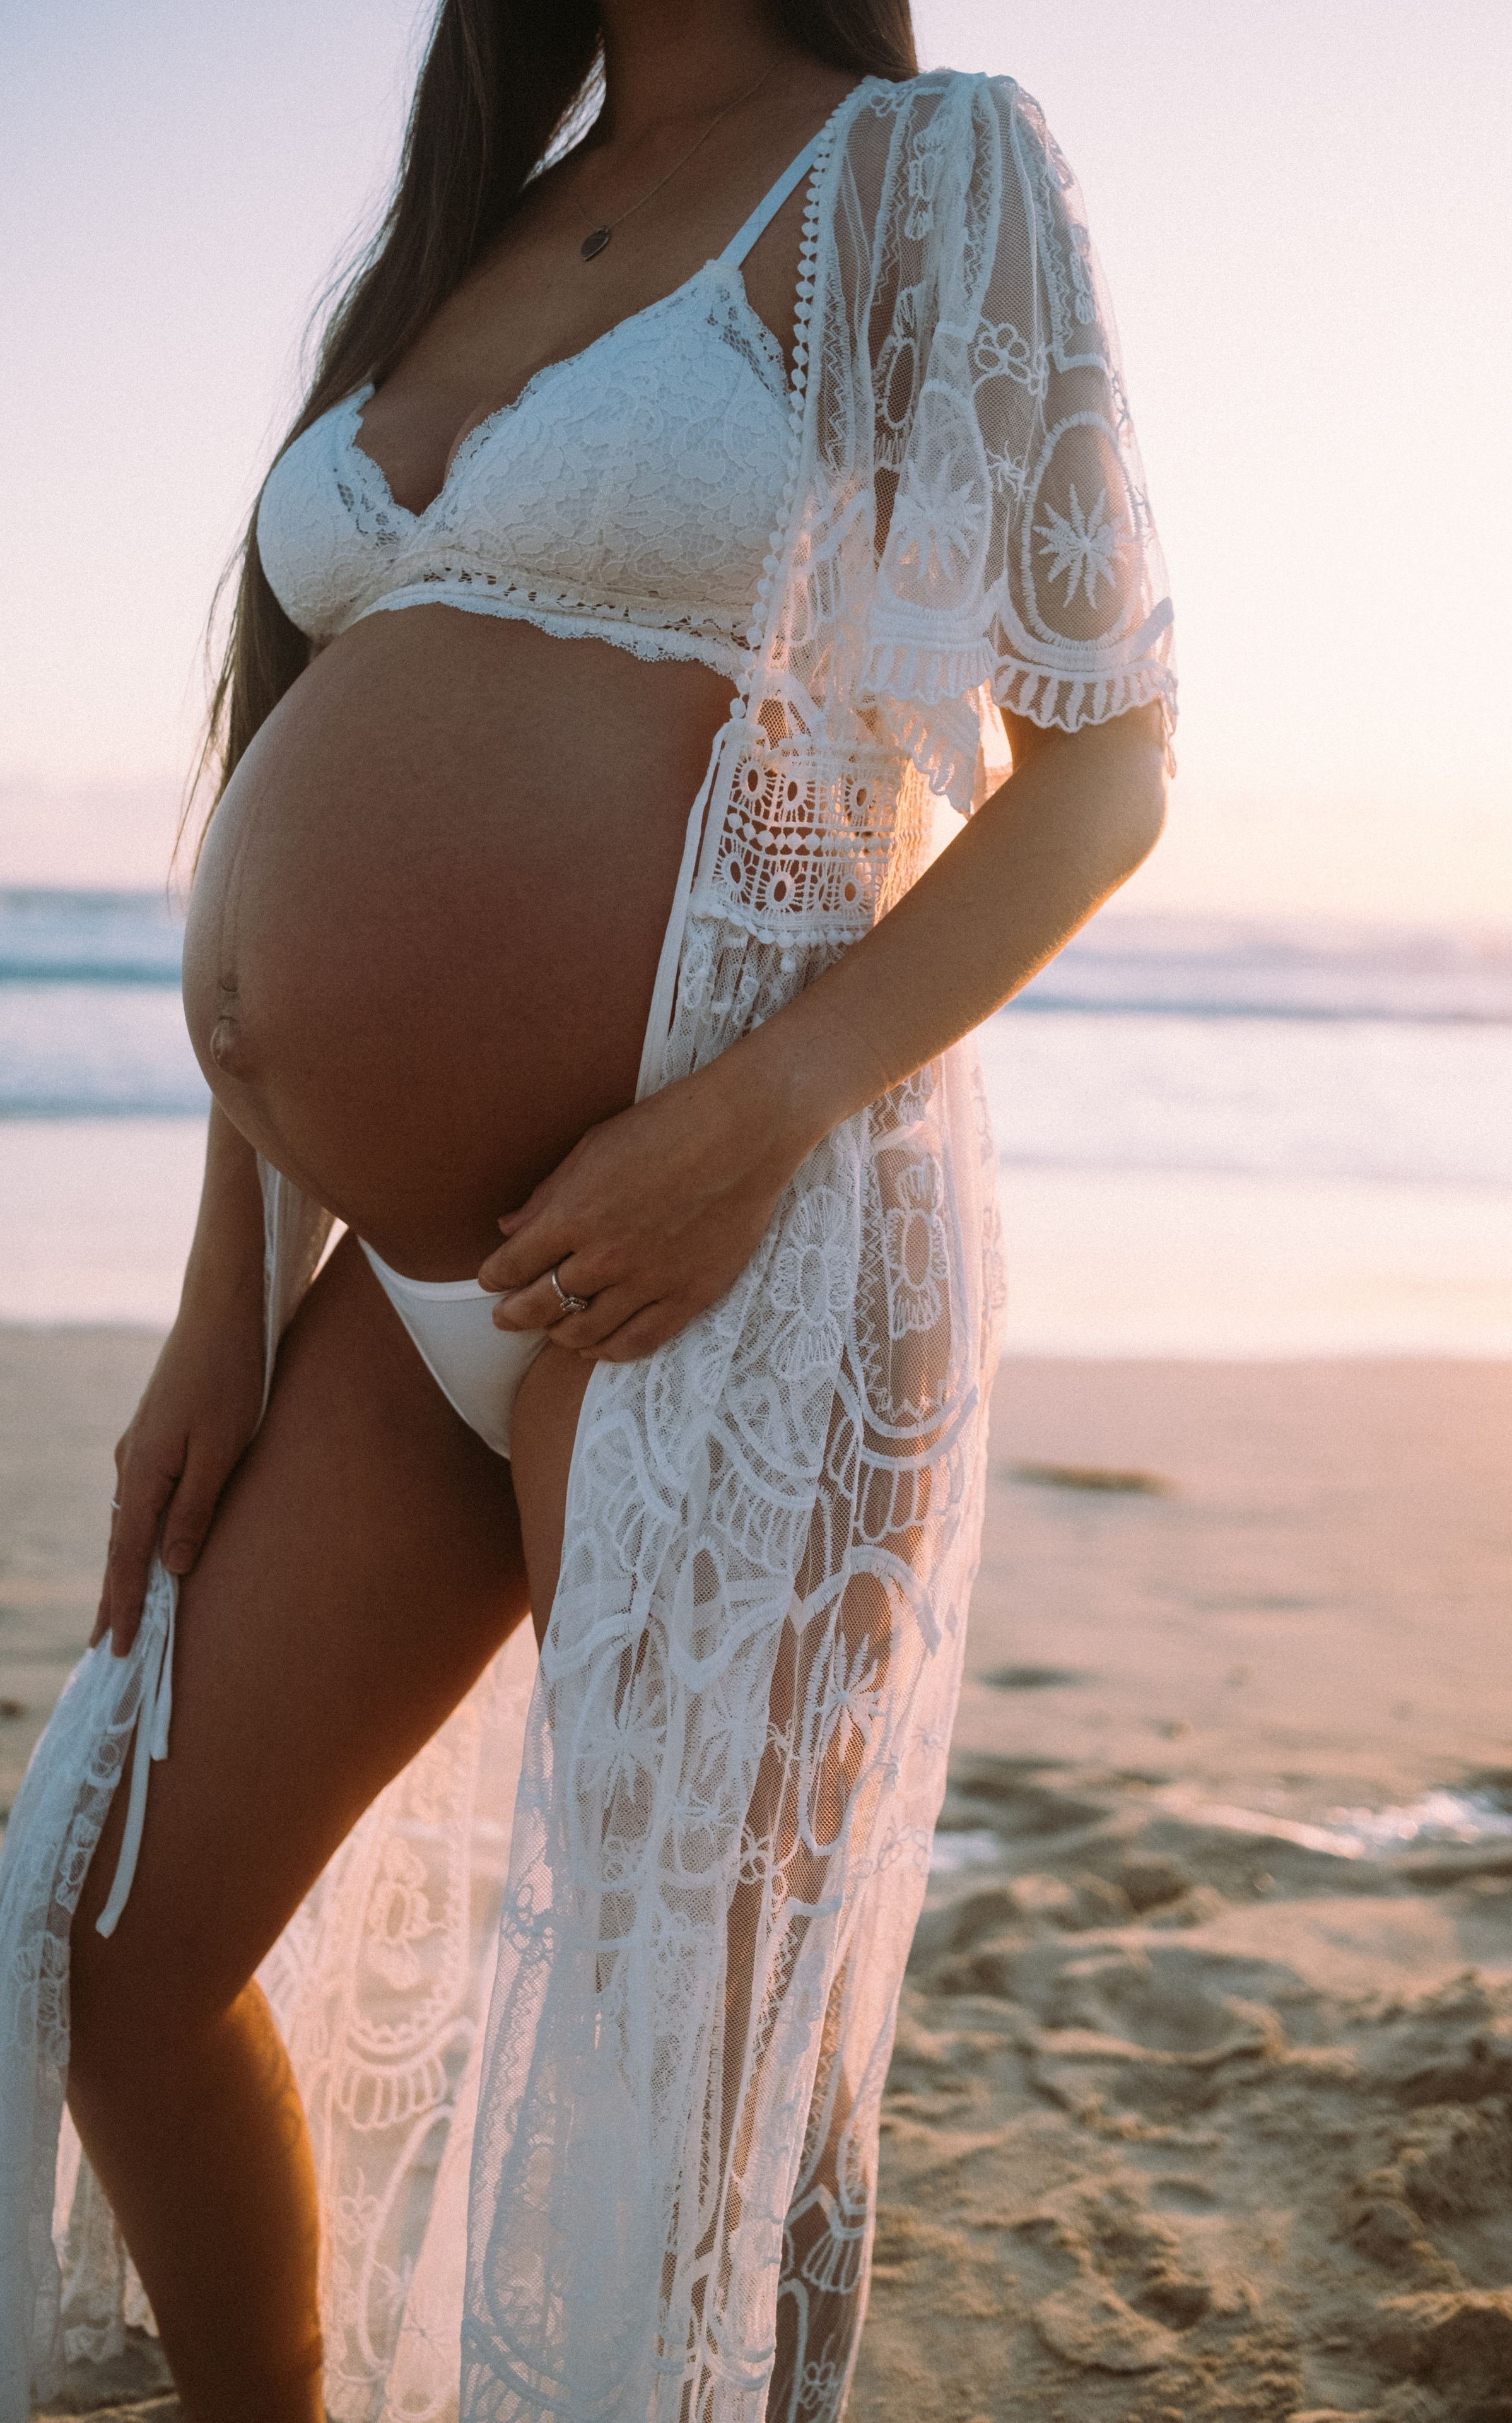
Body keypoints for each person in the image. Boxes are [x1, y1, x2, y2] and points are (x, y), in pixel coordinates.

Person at [0, 2, 1176, 2416]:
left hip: (741, 1250)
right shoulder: (462, 232)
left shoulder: (929, 174)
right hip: (393, 1292)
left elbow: (1106, 770)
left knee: (702, 2099)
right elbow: (288, 766)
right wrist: (220, 1302)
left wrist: (739, 1128)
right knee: (118, 1940)